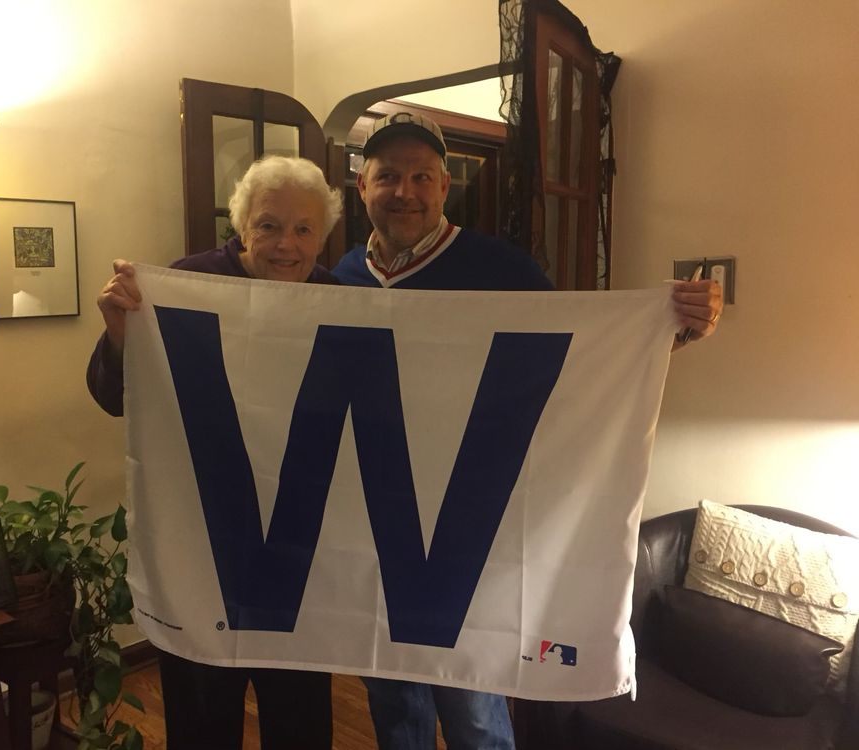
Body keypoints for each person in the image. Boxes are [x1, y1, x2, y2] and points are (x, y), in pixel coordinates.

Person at [332, 112, 723, 750]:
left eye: (423, 177)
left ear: (443, 187)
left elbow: (578, 354)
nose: (406, 191)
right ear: (362, 188)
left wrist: (670, 331)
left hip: (468, 530)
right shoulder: (341, 277)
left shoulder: (497, 267)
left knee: (475, 711)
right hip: (378, 527)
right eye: (389, 176)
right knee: (394, 706)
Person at [86, 155, 342, 750]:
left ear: (322, 237)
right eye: (269, 225)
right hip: (200, 551)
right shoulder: (187, 285)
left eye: (304, 229)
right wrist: (120, 337)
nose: (286, 244)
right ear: (242, 226)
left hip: (297, 557)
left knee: (301, 721)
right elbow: (112, 399)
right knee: (203, 721)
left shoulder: (338, 299)